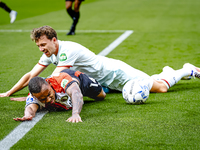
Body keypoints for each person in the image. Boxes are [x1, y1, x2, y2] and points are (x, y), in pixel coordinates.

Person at [0, 26, 200, 99]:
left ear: (54, 40)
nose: (42, 49)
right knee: (151, 82)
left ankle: (185, 70)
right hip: (103, 82)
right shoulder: (50, 52)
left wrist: (34, 96)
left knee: (161, 89)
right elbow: (31, 75)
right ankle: (164, 72)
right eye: (38, 46)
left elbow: (55, 78)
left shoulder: (67, 50)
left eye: (43, 44)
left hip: (116, 74)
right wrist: (9, 92)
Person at [13, 69, 106, 123]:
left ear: (49, 84)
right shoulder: (34, 95)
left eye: (49, 94)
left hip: (80, 81)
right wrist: (27, 115)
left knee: (102, 96)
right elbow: (30, 108)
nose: (49, 100)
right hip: (64, 89)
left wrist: (75, 114)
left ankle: (107, 86)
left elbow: (76, 93)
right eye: (43, 99)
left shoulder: (61, 81)